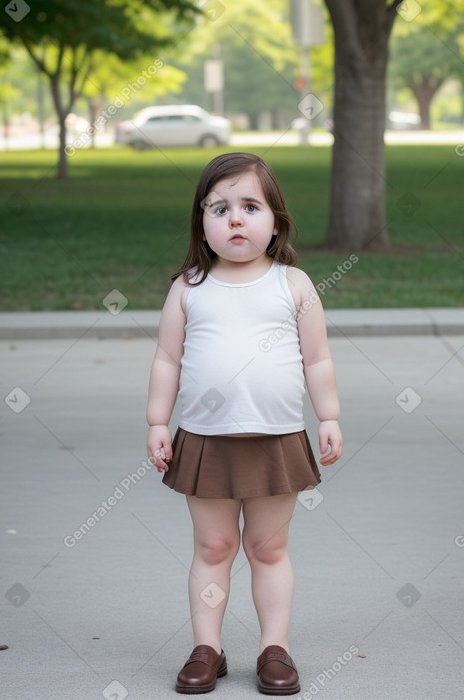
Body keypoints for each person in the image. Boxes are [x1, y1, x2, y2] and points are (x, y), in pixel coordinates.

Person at [146, 152, 342, 695]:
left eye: (250, 206)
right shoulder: (189, 286)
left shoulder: (294, 285)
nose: (235, 218)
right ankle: (207, 646)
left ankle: (273, 648)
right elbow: (167, 358)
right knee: (212, 548)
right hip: (207, 442)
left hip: (276, 440)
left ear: (275, 220)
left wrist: (329, 415)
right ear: (201, 223)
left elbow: (318, 358)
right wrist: (157, 422)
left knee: (267, 548)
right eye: (219, 208)